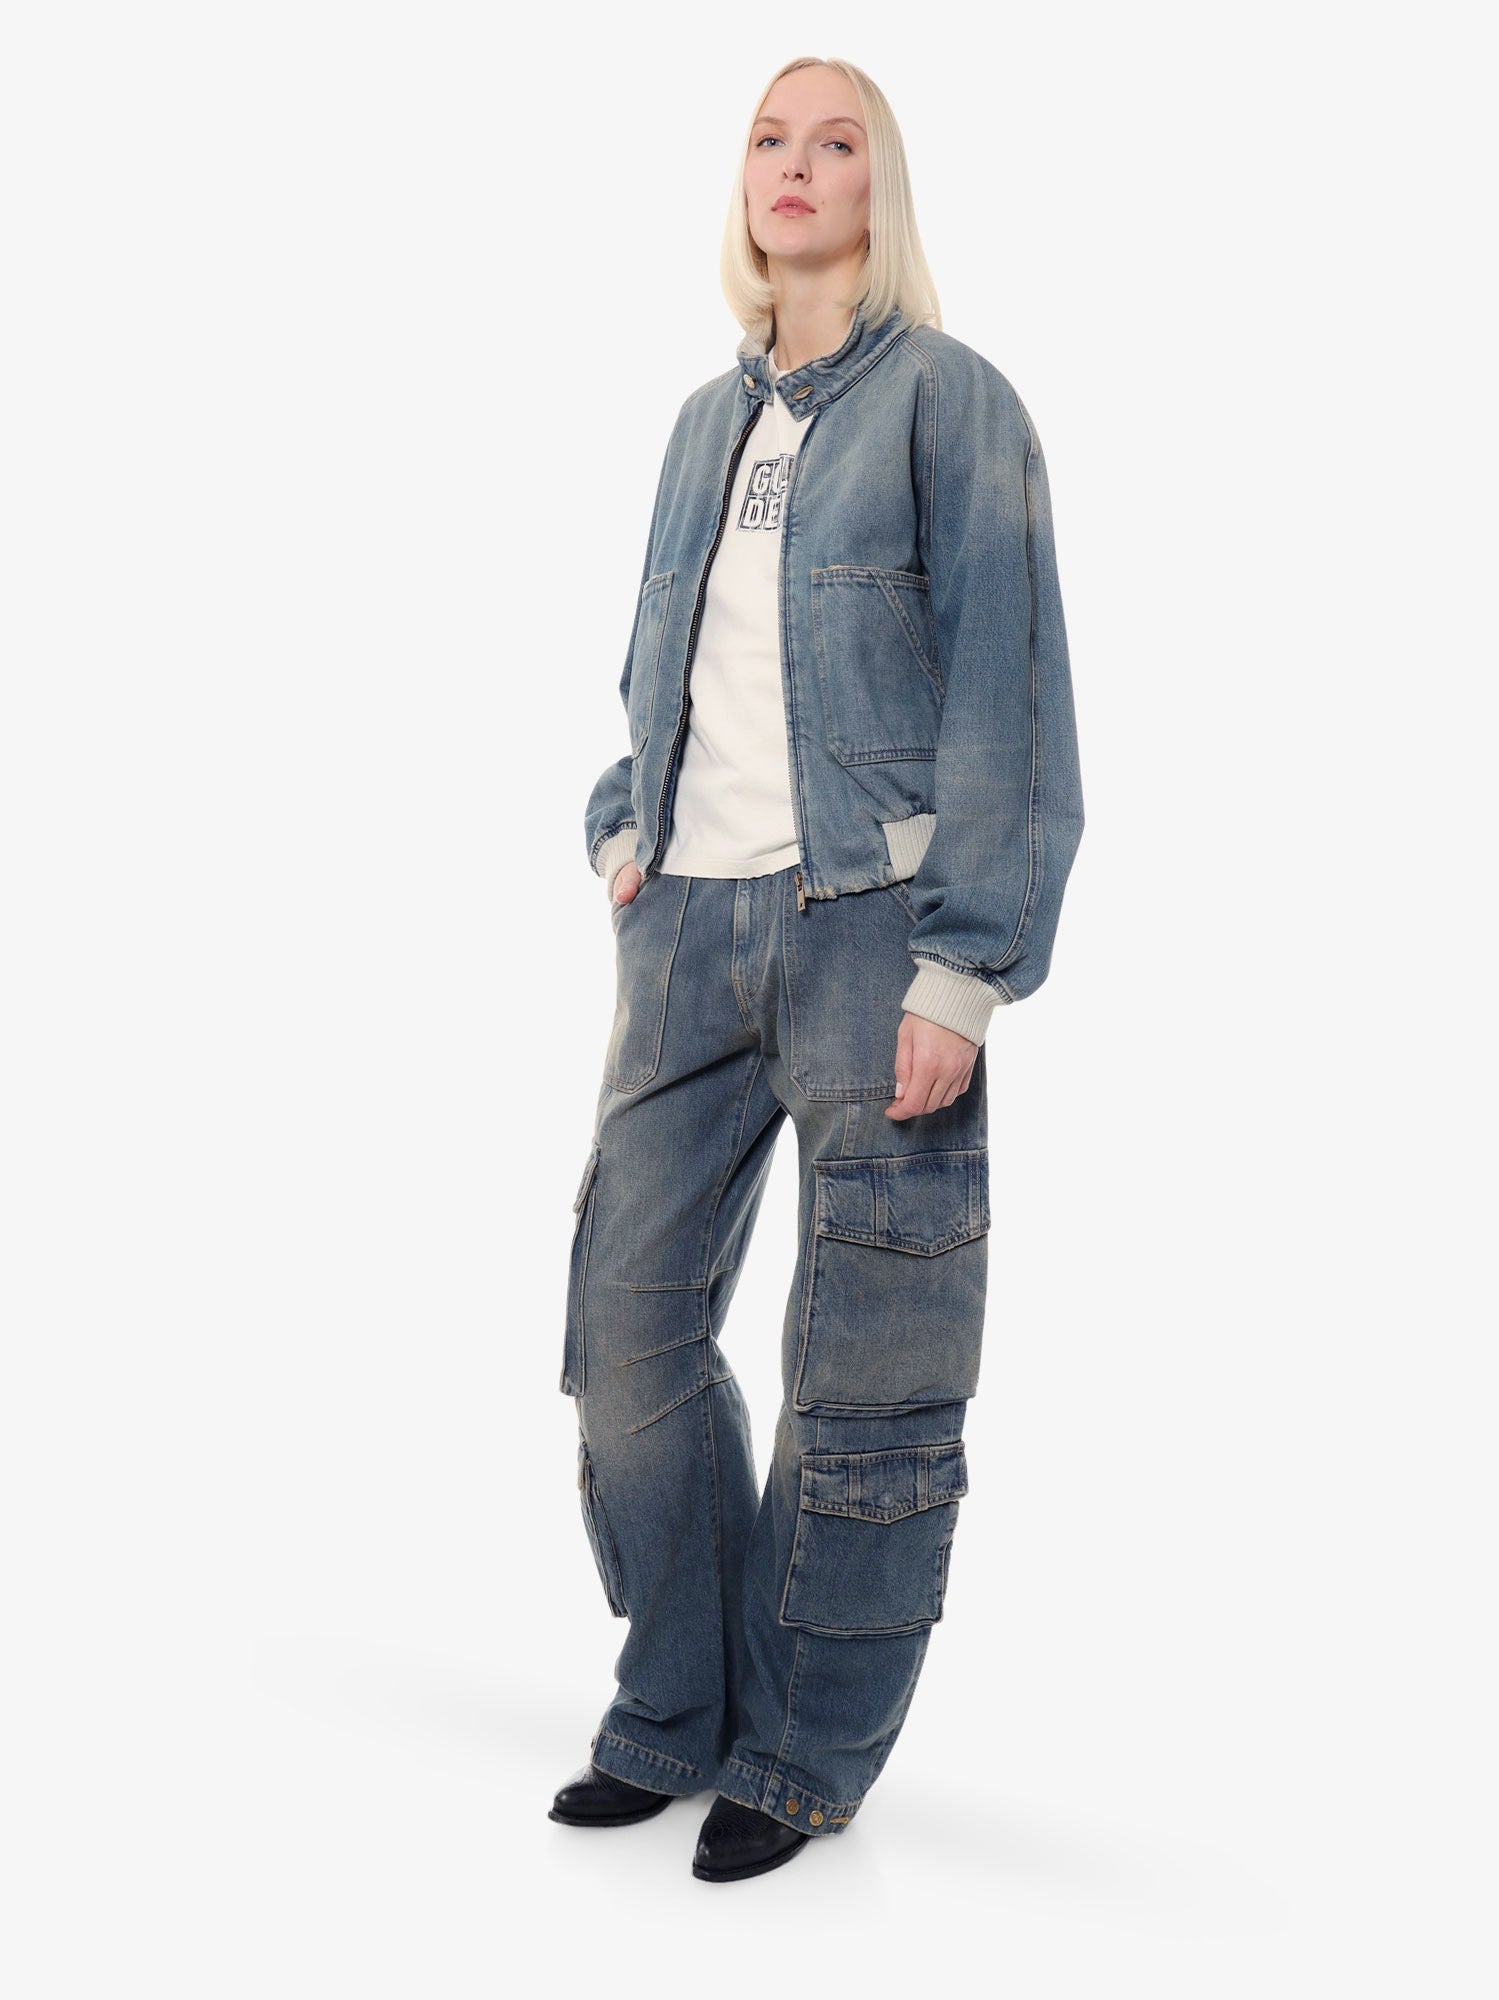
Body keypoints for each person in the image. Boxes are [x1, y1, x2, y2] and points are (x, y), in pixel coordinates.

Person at [550, 53, 1085, 1883]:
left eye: (835, 140)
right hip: (682, 932)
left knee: (869, 1366)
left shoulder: (952, 401)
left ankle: (804, 1752)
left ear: (881, 185)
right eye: (769, 139)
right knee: (627, 1337)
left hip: (872, 929)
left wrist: (964, 975)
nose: (796, 164)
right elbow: (668, 672)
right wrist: (623, 826)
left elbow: (1014, 689)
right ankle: (680, 1702)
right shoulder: (701, 426)